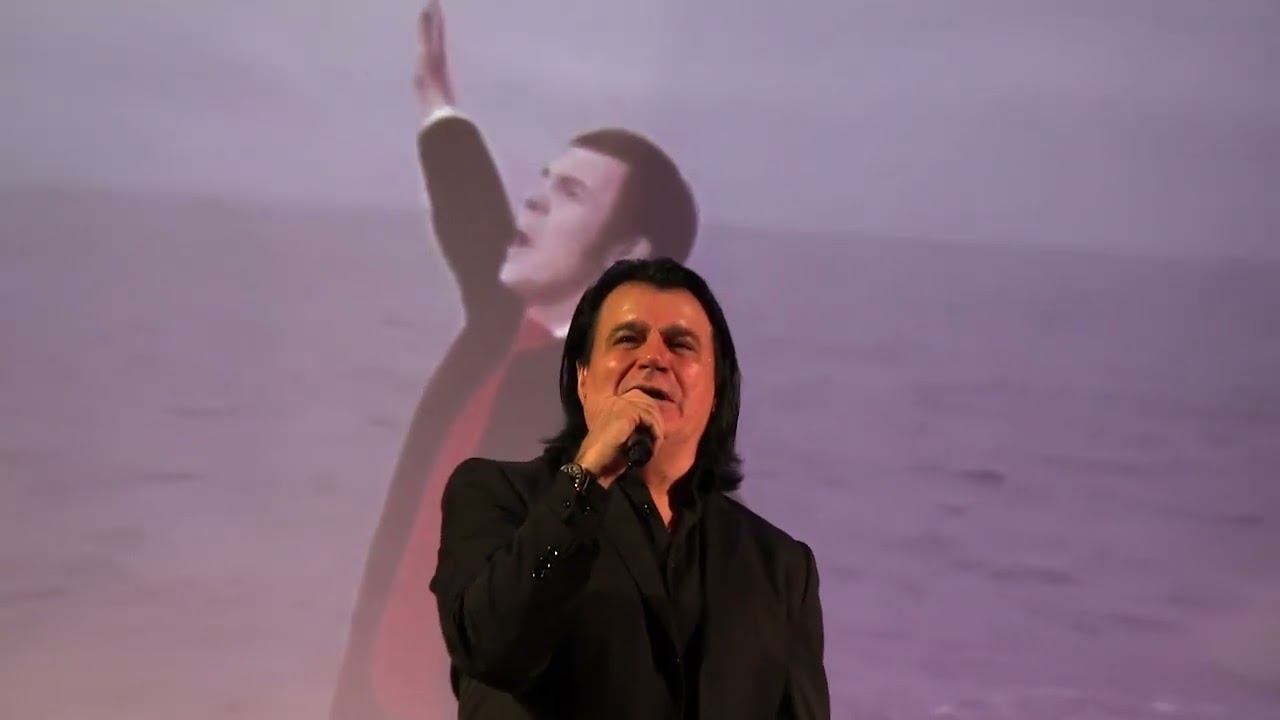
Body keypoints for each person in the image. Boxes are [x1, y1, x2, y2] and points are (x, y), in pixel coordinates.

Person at [330, 2, 700, 718]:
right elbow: (472, 215)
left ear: (627, 256)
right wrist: (438, 102)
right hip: (372, 693)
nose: (532, 202)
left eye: (568, 194)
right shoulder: (503, 325)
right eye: (544, 180)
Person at [430, 258, 830, 719]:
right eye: (627, 339)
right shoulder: (496, 496)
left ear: (716, 390)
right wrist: (588, 478)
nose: (654, 358)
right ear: (583, 378)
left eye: (680, 344)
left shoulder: (781, 567)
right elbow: (492, 649)